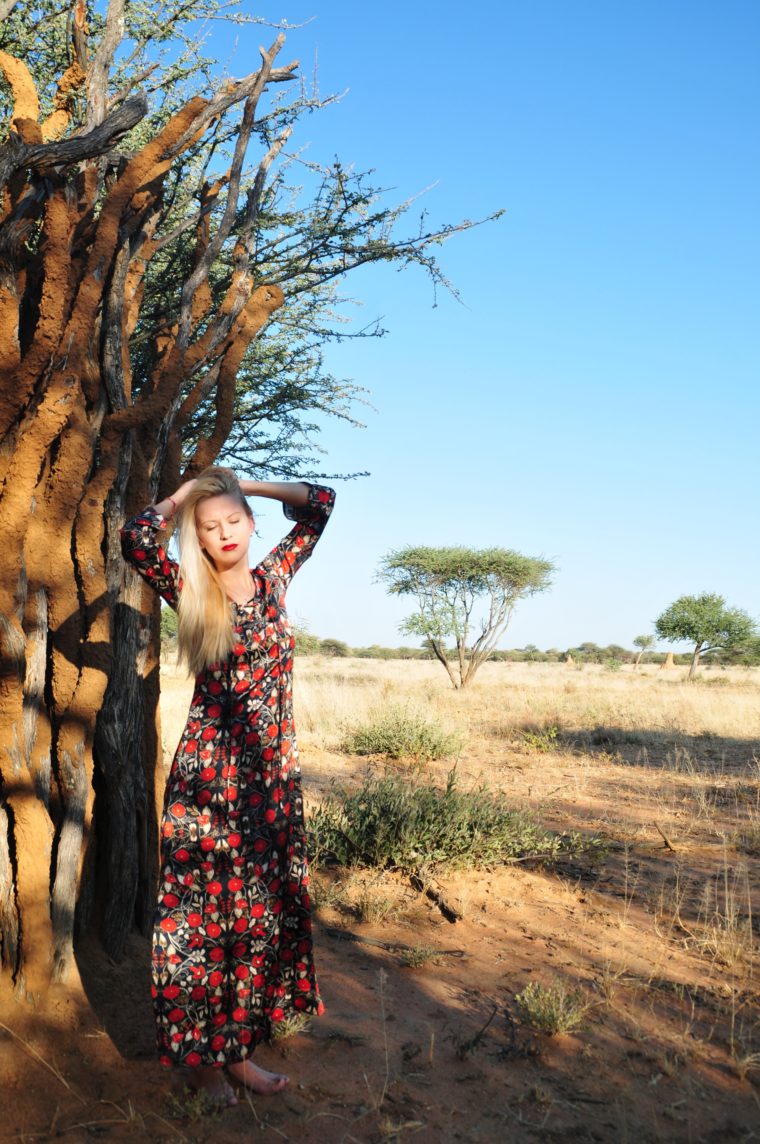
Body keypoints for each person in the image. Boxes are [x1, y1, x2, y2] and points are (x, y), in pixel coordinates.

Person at [120, 468, 335, 1107]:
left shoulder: (274, 578)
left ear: (249, 523)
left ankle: (236, 1054)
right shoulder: (189, 588)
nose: (224, 534)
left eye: (233, 521)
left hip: (269, 782)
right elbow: (136, 539)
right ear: (201, 539)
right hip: (209, 784)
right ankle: (204, 1068)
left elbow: (322, 503)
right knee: (201, 922)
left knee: (253, 921)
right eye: (210, 529)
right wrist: (186, 496)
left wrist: (248, 486)